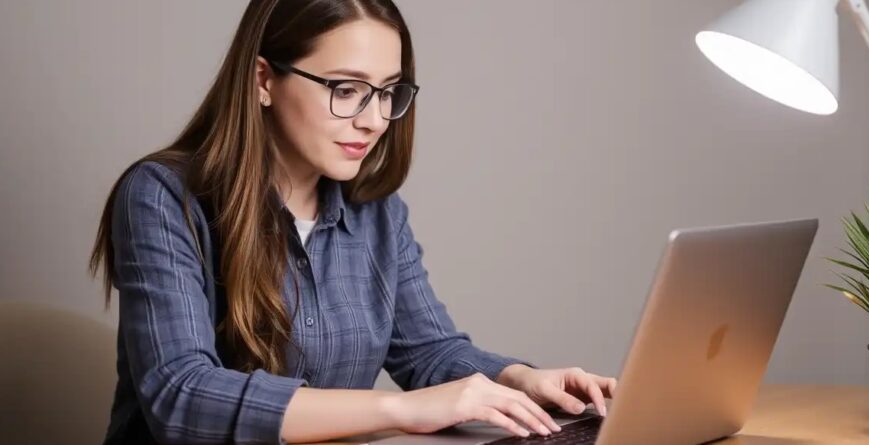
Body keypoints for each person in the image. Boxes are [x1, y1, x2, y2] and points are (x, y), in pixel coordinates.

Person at [89, 1, 617, 443]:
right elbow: (180, 395)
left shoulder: (377, 212)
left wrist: (520, 378)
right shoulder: (163, 196)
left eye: (388, 91)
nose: (373, 119)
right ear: (263, 79)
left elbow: (430, 352)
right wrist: (398, 410)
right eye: (346, 89)